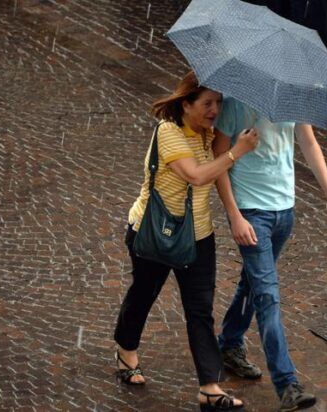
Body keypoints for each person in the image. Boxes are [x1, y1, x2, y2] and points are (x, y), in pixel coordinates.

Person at [113, 72, 258, 411]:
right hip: (155, 232)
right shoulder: (169, 132)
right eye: (207, 103)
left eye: (218, 103)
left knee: (200, 310)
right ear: (186, 103)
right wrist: (236, 152)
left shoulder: (209, 134)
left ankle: (209, 387)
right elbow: (196, 175)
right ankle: (126, 350)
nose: (215, 110)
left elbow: (217, 172)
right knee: (144, 293)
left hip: (198, 236)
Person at [213, 97, 327, 412]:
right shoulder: (234, 105)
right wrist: (234, 215)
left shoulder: (292, 98)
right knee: (268, 296)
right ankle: (287, 385)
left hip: (284, 210)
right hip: (252, 212)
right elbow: (219, 159)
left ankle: (229, 343)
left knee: (253, 284)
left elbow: (309, 143)